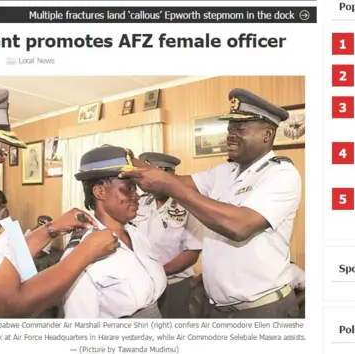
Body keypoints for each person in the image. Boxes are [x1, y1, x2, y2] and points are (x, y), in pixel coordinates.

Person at [121, 88, 302, 318]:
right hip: (216, 307)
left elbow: (239, 226)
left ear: (267, 134)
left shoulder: (281, 174)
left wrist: (169, 187)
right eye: (230, 127)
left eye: (240, 128)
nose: (231, 134)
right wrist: (130, 161)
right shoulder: (225, 171)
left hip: (261, 310)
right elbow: (177, 181)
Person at [0, 89, 119, 318]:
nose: (1, 158)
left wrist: (51, 229)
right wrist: (87, 251)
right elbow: (6, 307)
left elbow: (6, 254)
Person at [61, 146, 167, 318]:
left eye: (135, 188)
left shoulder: (137, 235)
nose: (137, 195)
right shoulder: (82, 252)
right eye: (128, 188)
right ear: (100, 192)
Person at [133, 152, 203, 318]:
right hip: (141, 285)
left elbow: (191, 253)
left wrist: (158, 272)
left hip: (174, 286)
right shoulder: (140, 203)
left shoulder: (189, 204)